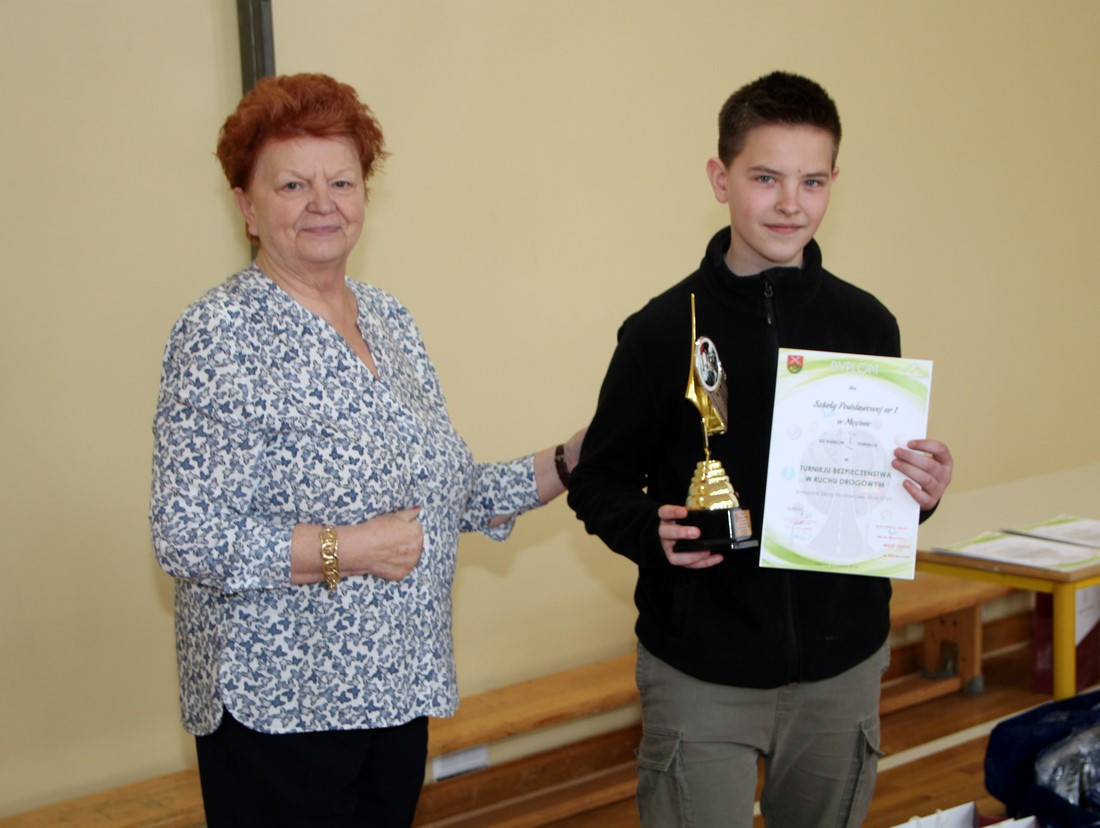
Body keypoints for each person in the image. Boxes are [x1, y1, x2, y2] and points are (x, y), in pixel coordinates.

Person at [149, 73, 583, 827]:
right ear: (247, 208)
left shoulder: (388, 320)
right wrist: (345, 550)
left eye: (341, 181)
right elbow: (186, 535)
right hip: (281, 712)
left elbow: (441, 497)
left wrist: (570, 462)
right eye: (293, 184)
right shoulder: (221, 334)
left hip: (396, 695)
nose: (323, 203)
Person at [567, 71, 954, 827]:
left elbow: (875, 488)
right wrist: (651, 531)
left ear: (834, 183)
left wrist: (922, 490)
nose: (789, 203)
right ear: (721, 179)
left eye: (812, 181)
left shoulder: (868, 326)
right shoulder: (658, 332)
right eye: (765, 177)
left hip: (842, 664)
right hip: (702, 672)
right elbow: (599, 482)